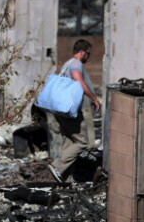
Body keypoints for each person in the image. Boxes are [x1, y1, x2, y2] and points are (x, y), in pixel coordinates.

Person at [48, 39, 101, 183]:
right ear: (82, 52)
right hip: (68, 110)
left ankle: (66, 178)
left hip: (60, 110)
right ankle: (57, 167)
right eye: (88, 54)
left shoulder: (67, 64)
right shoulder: (76, 64)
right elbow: (79, 81)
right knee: (83, 141)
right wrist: (94, 98)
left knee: (70, 141)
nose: (88, 58)